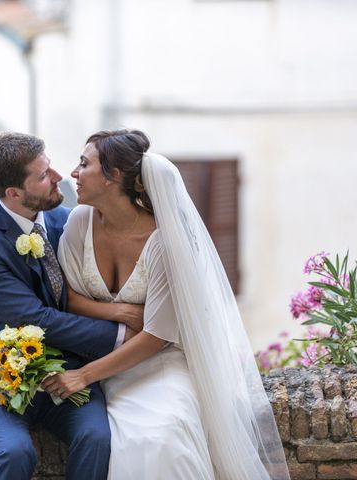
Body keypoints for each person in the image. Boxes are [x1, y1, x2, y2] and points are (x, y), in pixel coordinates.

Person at [45, 129, 290, 479]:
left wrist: (82, 376)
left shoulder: (164, 242)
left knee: (162, 437)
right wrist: (121, 312)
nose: (74, 173)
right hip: (101, 362)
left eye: (84, 164)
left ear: (114, 177)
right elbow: (67, 298)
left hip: (157, 365)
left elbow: (156, 336)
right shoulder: (79, 222)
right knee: (118, 443)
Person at [0, 132, 143, 480]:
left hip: (65, 371)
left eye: (50, 167)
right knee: (14, 452)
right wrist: (124, 334)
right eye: (43, 175)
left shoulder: (67, 222)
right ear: (14, 193)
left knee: (96, 438)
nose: (58, 177)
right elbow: (36, 318)